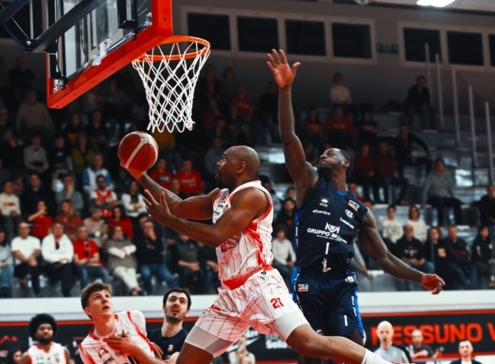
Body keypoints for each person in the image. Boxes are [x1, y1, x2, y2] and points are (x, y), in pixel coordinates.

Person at [124, 143, 426, 364]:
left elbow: (216, 234)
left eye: (225, 158)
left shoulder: (254, 195)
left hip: (259, 285)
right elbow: (176, 205)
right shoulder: (220, 196)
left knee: (309, 343)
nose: (218, 163)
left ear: (240, 167)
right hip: (229, 294)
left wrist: (169, 221)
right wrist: (140, 174)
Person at [268, 49, 442, 364]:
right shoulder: (309, 183)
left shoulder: (360, 212)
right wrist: (285, 90)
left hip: (341, 283)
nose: (323, 154)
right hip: (308, 280)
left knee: (354, 346)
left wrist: (421, 277)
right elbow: (288, 135)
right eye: (322, 153)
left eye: (331, 153)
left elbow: (384, 259)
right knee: (310, 354)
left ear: (345, 163)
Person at [78, 282, 156, 364]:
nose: (105, 300)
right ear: (88, 310)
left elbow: (145, 341)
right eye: (97, 297)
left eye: (107, 295)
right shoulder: (85, 348)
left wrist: (140, 346)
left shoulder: (133, 317)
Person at [134, 219, 178, 295]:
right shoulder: (139, 238)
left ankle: (178, 292)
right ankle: (149, 294)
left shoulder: (157, 236)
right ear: (143, 228)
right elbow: (142, 252)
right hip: (145, 263)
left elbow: (162, 250)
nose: (149, 229)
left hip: (158, 263)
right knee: (146, 275)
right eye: (147, 227)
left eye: (150, 227)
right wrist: (156, 252)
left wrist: (153, 238)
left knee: (169, 277)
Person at [148, 288, 191, 362]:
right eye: (172, 299)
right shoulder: (147, 336)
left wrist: (141, 350)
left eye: (182, 301)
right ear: (163, 307)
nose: (176, 303)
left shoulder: (187, 343)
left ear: (187, 312)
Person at [422, 158, 463, 226]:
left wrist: (453, 198)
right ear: (435, 166)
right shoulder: (430, 175)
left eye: (441, 165)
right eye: (438, 165)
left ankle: (459, 224)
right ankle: (441, 224)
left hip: (444, 197)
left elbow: (450, 188)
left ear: (444, 166)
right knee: (440, 202)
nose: (439, 167)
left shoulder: (447, 175)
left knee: (457, 202)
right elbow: (425, 189)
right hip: (433, 198)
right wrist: (424, 201)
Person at [105, 225, 144, 296]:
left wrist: (124, 249)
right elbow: (114, 251)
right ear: (113, 232)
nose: (118, 232)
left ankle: (135, 292)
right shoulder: (110, 242)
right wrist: (126, 252)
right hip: (116, 265)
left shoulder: (126, 242)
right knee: (123, 274)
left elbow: (134, 248)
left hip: (129, 264)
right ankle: (138, 289)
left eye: (120, 231)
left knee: (132, 275)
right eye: (116, 231)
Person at [393, 224, 434, 290]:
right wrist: (410, 260)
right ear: (404, 231)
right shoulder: (399, 242)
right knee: (406, 265)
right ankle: (408, 288)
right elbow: (399, 257)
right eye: (407, 230)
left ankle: (427, 286)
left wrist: (421, 261)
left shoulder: (417, 242)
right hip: (408, 264)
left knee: (430, 265)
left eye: (410, 229)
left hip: (418, 263)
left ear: (413, 231)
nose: (409, 231)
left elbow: (423, 256)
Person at [41, 222, 74, 297]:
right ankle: (65, 289)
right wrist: (59, 259)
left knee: (68, 266)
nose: (58, 230)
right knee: (66, 269)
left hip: (64, 265)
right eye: (56, 228)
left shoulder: (67, 240)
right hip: (50, 265)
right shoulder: (46, 240)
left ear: (63, 230)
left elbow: (69, 255)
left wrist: (62, 261)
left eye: (60, 228)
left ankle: (65, 289)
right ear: (52, 229)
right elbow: (46, 255)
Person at [12, 222, 41, 296]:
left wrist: (31, 258)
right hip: (20, 266)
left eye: (25, 228)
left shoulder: (35, 240)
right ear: (18, 230)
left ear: (29, 230)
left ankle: (26, 279)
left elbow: (37, 251)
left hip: (32, 264)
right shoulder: (15, 241)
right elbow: (17, 254)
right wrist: (28, 260)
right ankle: (38, 294)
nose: (23, 230)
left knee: (34, 267)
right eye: (21, 229)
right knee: (34, 267)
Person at [443, 225, 477, 290]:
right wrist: (460, 253)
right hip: (451, 261)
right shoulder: (445, 241)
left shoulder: (461, 241)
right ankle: (467, 288)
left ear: (456, 232)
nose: (453, 233)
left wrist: (456, 252)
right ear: (448, 233)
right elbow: (449, 253)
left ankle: (472, 287)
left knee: (474, 269)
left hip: (463, 261)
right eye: (451, 232)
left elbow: (466, 253)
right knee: (459, 270)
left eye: (454, 231)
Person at [271, 224, 296, 289]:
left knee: (294, 269)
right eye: (279, 232)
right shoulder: (274, 242)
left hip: (287, 264)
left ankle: (292, 289)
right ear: (277, 233)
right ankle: (290, 289)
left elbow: (292, 253)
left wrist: (293, 260)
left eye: (282, 232)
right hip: (277, 264)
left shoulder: (288, 242)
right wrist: (285, 263)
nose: (280, 234)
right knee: (287, 272)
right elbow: (275, 256)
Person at [0, 228, 13, 297]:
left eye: (3, 237)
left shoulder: (6, 246)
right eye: (0, 237)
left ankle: (4, 287)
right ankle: (4, 287)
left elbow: (11, 258)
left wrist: (6, 263)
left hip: (5, 266)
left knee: (8, 269)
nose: (1, 239)